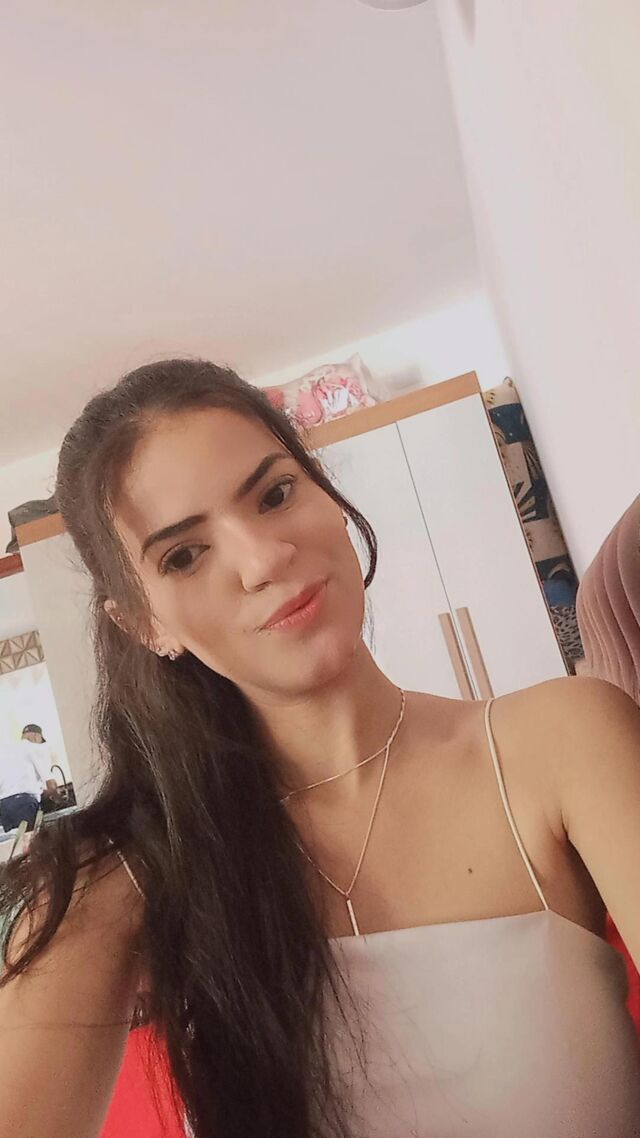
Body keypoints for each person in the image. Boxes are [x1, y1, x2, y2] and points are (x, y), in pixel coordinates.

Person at [1, 359, 639, 1138]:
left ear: (327, 493)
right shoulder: (126, 876)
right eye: (184, 556)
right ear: (145, 624)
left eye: (275, 494)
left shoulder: (562, 741)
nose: (264, 558)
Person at [0, 730, 51, 832]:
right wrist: (58, 797)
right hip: (24, 804)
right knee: (31, 838)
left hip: (4, 805)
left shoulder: (7, 751)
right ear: (36, 736)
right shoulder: (32, 747)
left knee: (15, 840)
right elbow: (51, 785)